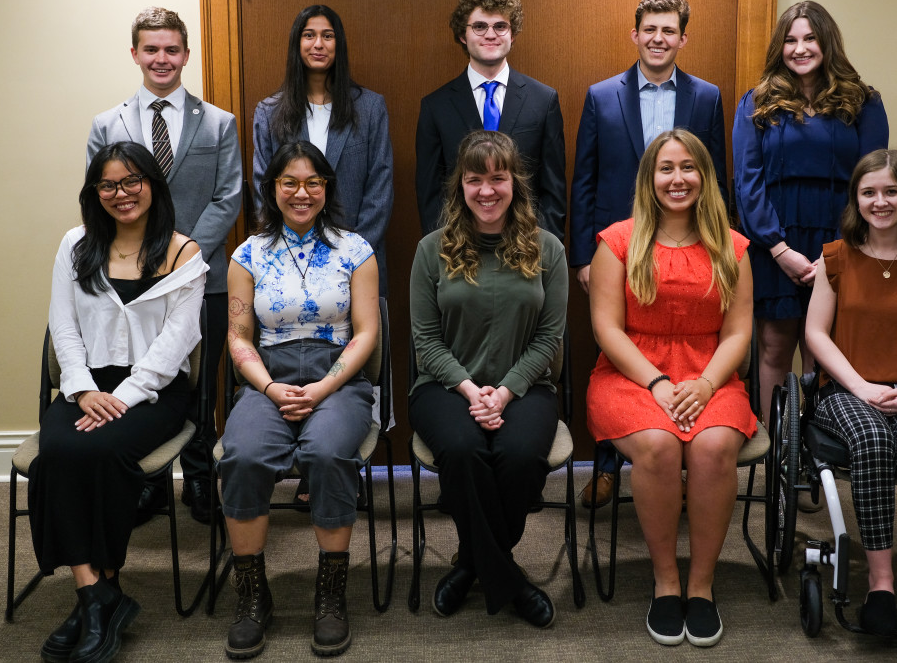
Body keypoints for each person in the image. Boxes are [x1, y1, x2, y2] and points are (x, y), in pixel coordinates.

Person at [32, 141, 208, 663]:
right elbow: (61, 326)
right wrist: (84, 389)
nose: (121, 194)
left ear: (153, 185)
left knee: (103, 454)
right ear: (94, 193)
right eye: (107, 185)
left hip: (154, 391)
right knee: (57, 454)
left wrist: (123, 398)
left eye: (132, 181)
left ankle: (97, 596)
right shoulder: (76, 243)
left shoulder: (184, 253)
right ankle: (96, 594)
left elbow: (176, 344)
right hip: (86, 385)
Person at [587, 129, 754, 647]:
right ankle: (666, 582)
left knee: (713, 445)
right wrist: (657, 382)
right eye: (666, 168)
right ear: (649, 178)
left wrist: (705, 384)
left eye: (688, 167)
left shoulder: (732, 245)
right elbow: (607, 329)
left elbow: (740, 331)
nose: (677, 178)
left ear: (704, 176)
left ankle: (701, 587)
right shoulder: (617, 242)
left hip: (711, 371)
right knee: (658, 447)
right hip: (632, 372)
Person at [220, 141, 380, 659]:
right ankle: (251, 595)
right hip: (269, 376)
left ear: (327, 188)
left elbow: (366, 333)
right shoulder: (247, 255)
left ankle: (331, 595)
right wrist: (268, 387)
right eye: (289, 182)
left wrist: (323, 387)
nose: (301, 192)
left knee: (327, 454)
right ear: (272, 189)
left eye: (313, 182)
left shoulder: (356, 250)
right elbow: (239, 336)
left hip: (338, 377)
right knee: (241, 455)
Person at [571, 0, 726, 508]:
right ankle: (611, 466)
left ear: (683, 38)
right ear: (634, 35)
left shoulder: (706, 97)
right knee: (615, 348)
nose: (658, 38)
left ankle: (682, 461)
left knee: (683, 342)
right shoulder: (600, 96)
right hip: (619, 250)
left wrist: (720, 252)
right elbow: (584, 180)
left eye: (669, 30)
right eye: (649, 29)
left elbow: (716, 180)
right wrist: (581, 258)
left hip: (686, 247)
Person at [88, 7, 241, 524]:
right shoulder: (107, 123)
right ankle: (147, 481)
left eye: (171, 49)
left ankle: (200, 479)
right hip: (133, 282)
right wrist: (147, 258)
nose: (161, 58)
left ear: (186, 55)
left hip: (206, 278)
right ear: (135, 54)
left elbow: (228, 197)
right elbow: (99, 196)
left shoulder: (219, 123)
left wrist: (181, 257)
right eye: (150, 49)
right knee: (142, 372)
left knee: (201, 383)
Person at [409, 130, 567, 628]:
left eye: (498, 178)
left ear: (514, 184)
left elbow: (550, 337)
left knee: (519, 455)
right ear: (460, 186)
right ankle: (512, 582)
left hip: (525, 386)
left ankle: (471, 563)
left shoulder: (549, 250)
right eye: (475, 179)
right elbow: (425, 340)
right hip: (443, 387)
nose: (486, 190)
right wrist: (470, 389)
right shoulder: (430, 250)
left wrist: (504, 391)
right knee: (463, 449)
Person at [804, 150, 897, 641]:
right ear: (856, 199)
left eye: (891, 191)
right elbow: (816, 334)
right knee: (872, 441)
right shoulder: (836, 258)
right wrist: (861, 386)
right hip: (848, 390)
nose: (880, 201)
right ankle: (879, 581)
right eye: (869, 192)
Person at [732, 0, 888, 437]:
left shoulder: (863, 102)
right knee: (774, 345)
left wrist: (836, 254)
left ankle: (818, 448)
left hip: (841, 242)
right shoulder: (758, 102)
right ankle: (780, 452)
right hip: (775, 242)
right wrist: (779, 250)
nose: (799, 48)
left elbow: (872, 181)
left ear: (826, 43)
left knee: (823, 350)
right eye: (790, 40)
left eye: (809, 39)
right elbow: (747, 183)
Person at [252, 4, 393, 294]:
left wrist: (353, 252)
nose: (318, 44)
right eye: (309, 35)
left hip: (357, 261)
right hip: (287, 261)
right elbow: (262, 187)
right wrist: (286, 247)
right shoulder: (269, 112)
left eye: (328, 36)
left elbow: (381, 186)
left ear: (338, 44)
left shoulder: (369, 107)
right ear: (297, 43)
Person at [416, 0, 566, 240]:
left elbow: (553, 189)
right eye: (479, 26)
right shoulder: (435, 106)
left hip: (526, 248)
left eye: (500, 26)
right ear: (463, 35)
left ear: (513, 33)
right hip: (459, 250)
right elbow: (430, 193)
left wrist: (543, 250)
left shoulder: (543, 100)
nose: (490, 34)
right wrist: (444, 250)